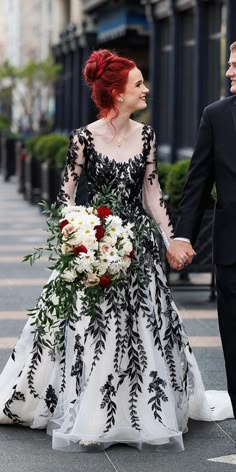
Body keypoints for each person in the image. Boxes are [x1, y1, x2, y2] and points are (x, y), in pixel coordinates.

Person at [0, 49, 233, 453]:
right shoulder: (83, 138)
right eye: (138, 83)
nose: (145, 89)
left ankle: (139, 412)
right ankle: (91, 414)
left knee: (142, 331)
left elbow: (152, 194)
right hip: (94, 244)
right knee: (95, 333)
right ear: (116, 92)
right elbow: (65, 199)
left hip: (137, 249)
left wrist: (172, 238)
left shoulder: (146, 135)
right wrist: (81, 241)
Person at [167, 41, 236, 419]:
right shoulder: (217, 115)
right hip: (232, 250)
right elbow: (197, 183)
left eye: (235, 65)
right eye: (229, 64)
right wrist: (182, 236)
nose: (229, 72)